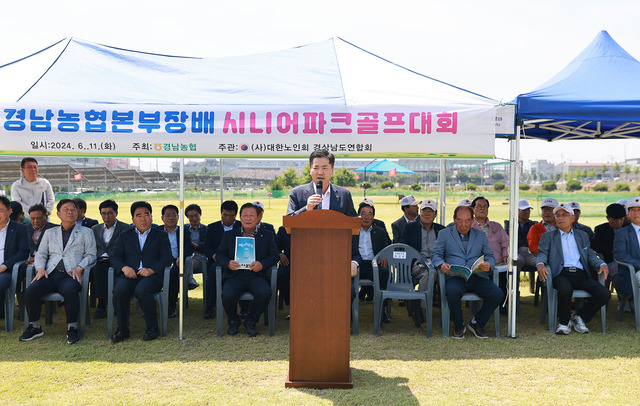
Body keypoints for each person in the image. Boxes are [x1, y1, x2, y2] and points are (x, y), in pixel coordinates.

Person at [20, 199, 96, 344]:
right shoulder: (50, 232)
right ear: (58, 214)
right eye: (66, 209)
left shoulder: (86, 232)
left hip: (71, 273)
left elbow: (91, 255)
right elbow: (41, 254)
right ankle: (35, 326)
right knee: (31, 290)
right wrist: (40, 268)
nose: (70, 212)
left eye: (73, 209)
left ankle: (72, 327)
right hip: (50, 273)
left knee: (70, 291)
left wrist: (80, 268)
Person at [537, 203, 609, 335]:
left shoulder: (582, 235)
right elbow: (542, 253)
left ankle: (579, 317)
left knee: (605, 294)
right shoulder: (548, 237)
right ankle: (564, 323)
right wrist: (540, 263)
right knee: (565, 287)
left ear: (573, 218)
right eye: (557, 215)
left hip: (580, 274)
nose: (560, 218)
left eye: (564, 215)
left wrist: (601, 264)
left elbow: (589, 255)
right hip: (561, 274)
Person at [431, 205, 499, 339]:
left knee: (497, 293)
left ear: (472, 220)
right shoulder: (444, 234)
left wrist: (489, 264)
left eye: (467, 220)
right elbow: (436, 255)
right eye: (460, 220)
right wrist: (441, 264)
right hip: (455, 276)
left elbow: (490, 256)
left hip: (476, 275)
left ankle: (477, 323)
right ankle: (458, 325)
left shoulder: (480, 235)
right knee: (452, 292)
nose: (463, 224)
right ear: (454, 219)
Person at [110, 201, 172, 342]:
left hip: (151, 276)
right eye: (138, 215)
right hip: (130, 274)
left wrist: (151, 270)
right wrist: (124, 268)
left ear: (151, 217)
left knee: (142, 290)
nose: (143, 218)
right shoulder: (125, 235)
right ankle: (122, 329)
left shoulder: (160, 235)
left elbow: (167, 258)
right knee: (119, 290)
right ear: (133, 220)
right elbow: (115, 258)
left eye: (146, 215)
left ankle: (152, 328)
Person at [216, 203, 279, 337]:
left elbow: (275, 256)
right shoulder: (229, 235)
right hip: (235, 275)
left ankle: (251, 321)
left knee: (265, 293)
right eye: (245, 215)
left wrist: (262, 264)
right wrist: (228, 263)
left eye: (252, 215)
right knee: (227, 295)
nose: (248, 218)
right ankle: (234, 320)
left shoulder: (266, 235)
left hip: (257, 276)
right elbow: (220, 255)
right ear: (240, 217)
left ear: (258, 218)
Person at [399, 199, 445, 326]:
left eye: (431, 211)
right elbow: (403, 247)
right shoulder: (410, 228)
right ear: (420, 212)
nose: (427, 214)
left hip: (438, 264)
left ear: (435, 214)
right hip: (417, 264)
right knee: (429, 274)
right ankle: (421, 309)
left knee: (441, 275)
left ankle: (446, 309)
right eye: (425, 210)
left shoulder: (441, 230)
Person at [91, 200, 132, 319]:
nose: (106, 216)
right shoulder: (95, 229)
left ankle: (116, 302)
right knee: (98, 269)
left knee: (116, 272)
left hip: (119, 260)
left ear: (116, 213)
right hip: (100, 260)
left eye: (110, 213)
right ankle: (101, 304)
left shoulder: (126, 228)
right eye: (103, 213)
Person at [286, 149, 357, 216]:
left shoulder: (344, 194)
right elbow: (288, 220)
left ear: (332, 170)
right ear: (310, 170)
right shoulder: (297, 193)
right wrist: (306, 209)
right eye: (316, 168)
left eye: (324, 168)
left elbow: (353, 222)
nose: (320, 172)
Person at [203, 200, 241, 319]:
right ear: (221, 214)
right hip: (217, 261)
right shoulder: (212, 227)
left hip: (237, 261)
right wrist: (213, 254)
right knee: (213, 271)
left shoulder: (241, 226)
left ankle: (245, 307)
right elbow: (206, 246)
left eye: (231, 215)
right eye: (225, 215)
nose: (228, 218)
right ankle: (210, 306)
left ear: (236, 215)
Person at [471, 196, 510, 314]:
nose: (482, 209)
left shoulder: (496, 226)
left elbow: (505, 243)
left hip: (497, 263)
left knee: (506, 276)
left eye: (485, 206)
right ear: (472, 209)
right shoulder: (469, 226)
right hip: (478, 265)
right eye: (479, 206)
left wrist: (506, 255)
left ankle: (502, 305)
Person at [352, 199, 391, 309]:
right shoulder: (352, 231)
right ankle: (348, 311)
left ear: (373, 217)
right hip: (356, 264)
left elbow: (386, 247)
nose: (366, 217)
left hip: (373, 264)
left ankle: (382, 309)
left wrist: (384, 256)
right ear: (358, 215)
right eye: (363, 214)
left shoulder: (379, 232)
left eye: (370, 214)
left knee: (385, 271)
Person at [159, 204, 194, 318]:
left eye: (173, 215)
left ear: (178, 217)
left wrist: (182, 256)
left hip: (176, 260)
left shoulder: (184, 232)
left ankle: (171, 305)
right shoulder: (156, 231)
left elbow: (189, 248)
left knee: (173, 273)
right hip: (159, 260)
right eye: (167, 215)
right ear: (162, 217)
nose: (170, 218)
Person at [0, 197, 30, 318]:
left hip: (7, 271)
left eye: (0, 210)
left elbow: (23, 252)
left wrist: (5, 265)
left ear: (10, 211)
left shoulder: (20, 229)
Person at [591, 203, 627, 292]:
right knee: (620, 278)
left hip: (629, 260)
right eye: (615, 219)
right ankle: (625, 301)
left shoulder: (629, 228)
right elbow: (595, 245)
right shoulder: (601, 229)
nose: (619, 222)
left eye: (621, 219)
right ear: (608, 218)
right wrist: (612, 250)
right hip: (611, 261)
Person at [613, 196, 640, 303]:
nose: (636, 213)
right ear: (628, 213)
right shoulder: (622, 233)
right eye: (633, 210)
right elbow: (620, 255)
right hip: (632, 272)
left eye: (639, 210)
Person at [505, 199, 538, 272]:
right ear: (517, 211)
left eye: (528, 210)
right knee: (516, 262)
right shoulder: (510, 224)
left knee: (542, 263)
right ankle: (514, 283)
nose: (527, 212)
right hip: (517, 252)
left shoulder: (533, 224)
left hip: (530, 254)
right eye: (524, 210)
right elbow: (509, 239)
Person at [185, 203, 206, 290]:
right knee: (185, 261)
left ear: (200, 214)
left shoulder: (206, 229)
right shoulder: (183, 228)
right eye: (191, 216)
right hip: (185, 254)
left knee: (186, 264)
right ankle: (189, 280)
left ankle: (187, 281)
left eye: (196, 215)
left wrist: (197, 246)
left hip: (199, 255)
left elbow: (208, 245)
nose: (194, 219)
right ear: (187, 217)